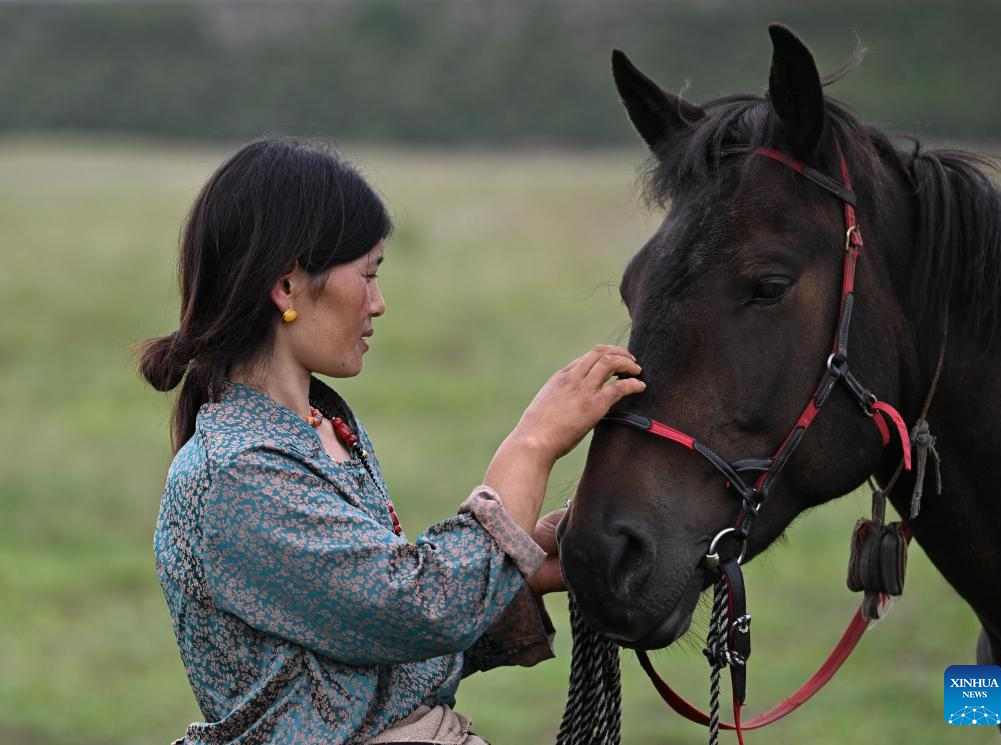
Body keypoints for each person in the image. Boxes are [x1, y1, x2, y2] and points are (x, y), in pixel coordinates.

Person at [136, 136, 645, 745]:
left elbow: (365, 653)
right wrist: (533, 443)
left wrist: (523, 566)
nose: (379, 304)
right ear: (288, 287)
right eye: (368, 275)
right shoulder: (239, 472)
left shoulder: (323, 429)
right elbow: (423, 607)